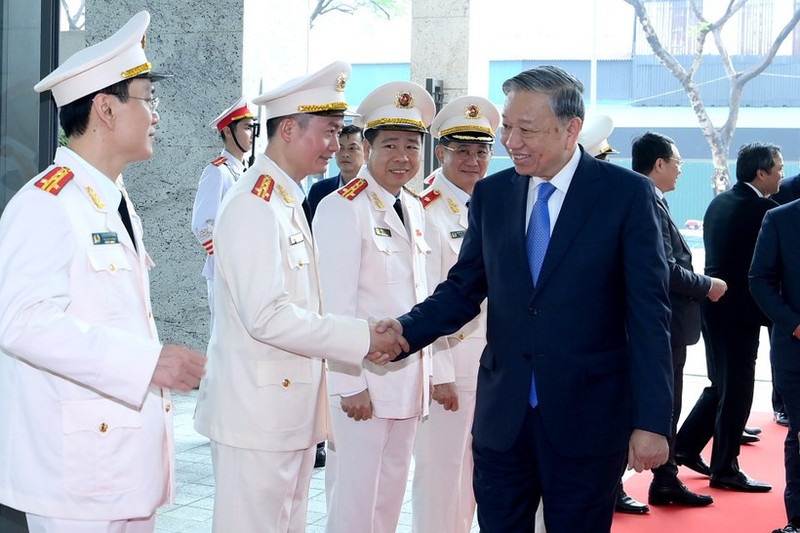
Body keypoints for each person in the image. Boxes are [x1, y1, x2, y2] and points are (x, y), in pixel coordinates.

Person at [391, 65, 673, 532]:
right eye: (506, 125)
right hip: (504, 422)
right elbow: (463, 288)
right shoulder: (493, 195)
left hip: (587, 421)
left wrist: (652, 421)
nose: (510, 141)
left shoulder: (626, 195)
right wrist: (403, 331)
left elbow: (649, 316)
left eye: (526, 129)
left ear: (571, 129)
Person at [0, 11, 207, 532]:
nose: (157, 115)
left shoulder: (111, 200)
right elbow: (20, 321)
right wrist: (146, 363)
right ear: (105, 110)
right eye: (147, 100)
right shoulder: (46, 204)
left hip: (120, 464)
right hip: (77, 476)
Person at [192, 61, 406, 533]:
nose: (336, 145)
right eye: (328, 132)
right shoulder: (254, 202)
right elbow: (267, 316)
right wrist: (362, 336)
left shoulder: (285, 198)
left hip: (285, 413)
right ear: (289, 128)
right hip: (257, 417)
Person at [313, 81, 435, 533]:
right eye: (390, 145)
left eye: (411, 145)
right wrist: (349, 387)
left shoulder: (414, 206)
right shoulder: (342, 209)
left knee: (387, 501)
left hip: (406, 384)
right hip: (363, 386)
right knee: (353, 505)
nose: (402, 155)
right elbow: (335, 306)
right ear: (366, 147)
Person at [411, 95, 499, 533]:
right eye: (462, 150)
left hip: (496, 364)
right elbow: (424, 294)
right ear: (441, 151)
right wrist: (438, 370)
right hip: (452, 363)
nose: (473, 160)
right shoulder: (422, 206)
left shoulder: (495, 201)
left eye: (481, 150)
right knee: (444, 477)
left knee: (487, 473)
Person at [675, 142, 782, 493]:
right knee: (737, 391)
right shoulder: (761, 209)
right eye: (778, 168)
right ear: (761, 172)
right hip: (739, 310)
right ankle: (725, 468)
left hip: (714, 305)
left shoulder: (721, 201)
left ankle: (686, 446)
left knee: (721, 385)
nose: (781, 174)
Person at [631, 132, 727, 508]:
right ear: (659, 164)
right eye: (678, 163)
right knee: (658, 404)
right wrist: (707, 285)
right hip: (660, 322)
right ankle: (650, 482)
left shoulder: (653, 199)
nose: (680, 171)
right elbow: (664, 270)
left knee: (667, 404)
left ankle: (665, 478)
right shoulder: (646, 202)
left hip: (667, 323)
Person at [750, 192, 800, 533]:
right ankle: (797, 517)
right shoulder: (781, 219)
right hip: (795, 351)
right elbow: (759, 280)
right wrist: (794, 324)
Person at [191, 97, 257, 330]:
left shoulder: (246, 172)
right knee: (224, 335)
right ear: (228, 131)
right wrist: (227, 260)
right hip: (224, 272)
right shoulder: (217, 171)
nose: (252, 133)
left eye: (253, 127)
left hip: (247, 270)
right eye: (247, 127)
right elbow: (201, 225)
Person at [761, 171, 800, 429]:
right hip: (790, 314)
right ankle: (780, 405)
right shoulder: (784, 194)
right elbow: (762, 276)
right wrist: (792, 323)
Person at [307, 124, 364, 218]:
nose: (345, 154)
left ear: (366, 150)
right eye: (341, 148)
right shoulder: (318, 190)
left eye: (352, 148)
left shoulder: (376, 188)